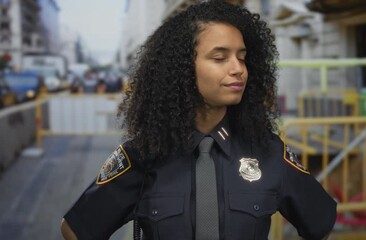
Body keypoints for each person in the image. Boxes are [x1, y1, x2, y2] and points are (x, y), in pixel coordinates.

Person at [60, 1, 336, 240]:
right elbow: (76, 229)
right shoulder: (141, 156)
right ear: (181, 69)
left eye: (242, 58)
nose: (238, 69)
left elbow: (320, 222)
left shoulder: (269, 152)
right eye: (220, 57)